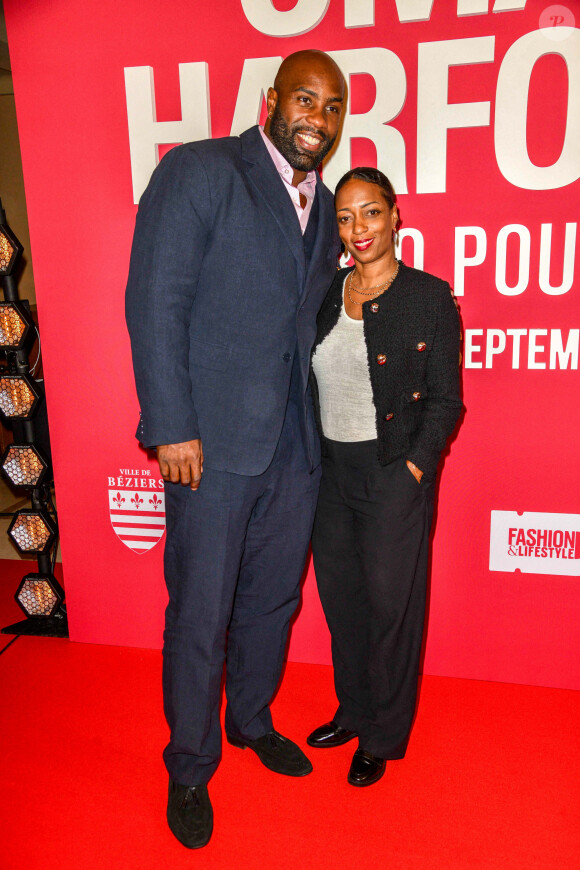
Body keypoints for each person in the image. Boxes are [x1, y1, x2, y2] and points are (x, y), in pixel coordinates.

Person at [125, 51, 345, 848]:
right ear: (271, 100)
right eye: (305, 100)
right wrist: (171, 424)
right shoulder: (200, 170)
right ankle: (190, 764)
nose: (316, 118)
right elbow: (155, 298)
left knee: (273, 602)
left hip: (293, 446)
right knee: (201, 612)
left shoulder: (324, 206)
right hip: (209, 446)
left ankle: (251, 719)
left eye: (332, 106)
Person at [307, 167, 463, 787]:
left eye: (370, 213)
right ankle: (354, 708)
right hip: (328, 476)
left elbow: (446, 402)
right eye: (345, 218)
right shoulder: (327, 295)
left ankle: (384, 733)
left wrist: (414, 469)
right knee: (343, 602)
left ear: (395, 215)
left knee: (391, 608)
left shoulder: (428, 297)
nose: (357, 228)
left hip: (391, 470)